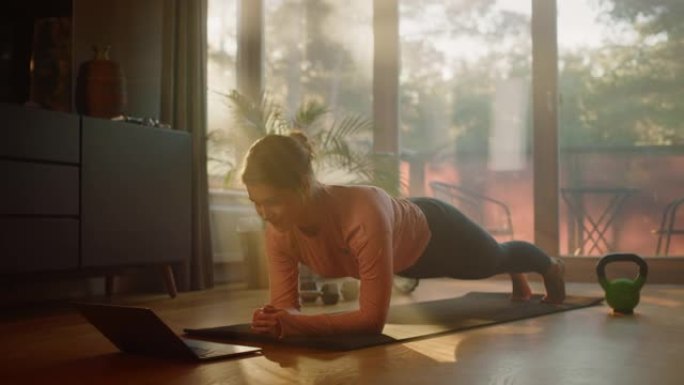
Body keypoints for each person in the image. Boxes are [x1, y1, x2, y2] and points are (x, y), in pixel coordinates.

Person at [244, 132, 565, 339]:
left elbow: (371, 321)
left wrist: (293, 323)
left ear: (301, 185)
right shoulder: (278, 232)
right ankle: (516, 272)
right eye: (256, 203)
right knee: (493, 259)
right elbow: (285, 310)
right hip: (402, 253)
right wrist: (275, 319)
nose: (264, 213)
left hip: (438, 232)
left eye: (272, 202)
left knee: (493, 258)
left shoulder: (362, 211)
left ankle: (549, 265)